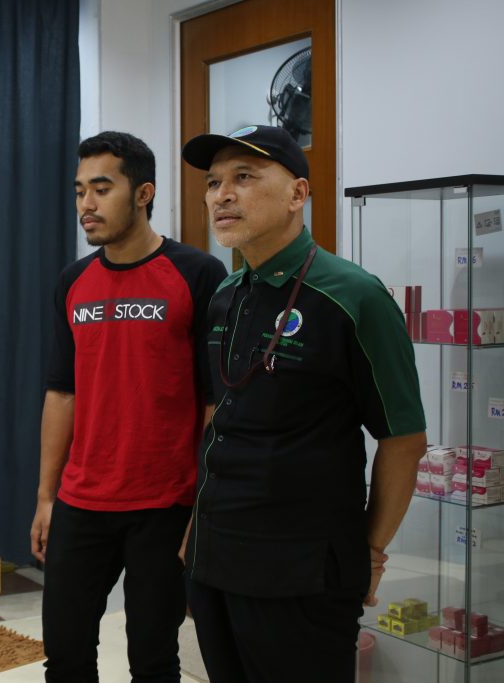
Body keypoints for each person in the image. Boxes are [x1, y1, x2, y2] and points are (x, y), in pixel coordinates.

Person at [179, 125, 427, 682]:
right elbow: (223, 418)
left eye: (244, 177)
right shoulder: (225, 295)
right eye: (214, 182)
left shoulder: (354, 296)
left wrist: (372, 551)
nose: (222, 195)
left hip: (302, 571)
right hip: (215, 559)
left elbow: (405, 439)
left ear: (297, 194)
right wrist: (197, 527)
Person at [30, 131, 227, 682]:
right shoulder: (74, 281)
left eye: (101, 189)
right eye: (79, 192)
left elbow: (215, 402)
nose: (86, 205)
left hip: (164, 504)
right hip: (82, 500)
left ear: (143, 194)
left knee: (153, 660)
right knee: (65, 656)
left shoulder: (198, 274)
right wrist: (46, 496)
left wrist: (203, 504)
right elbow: (61, 393)